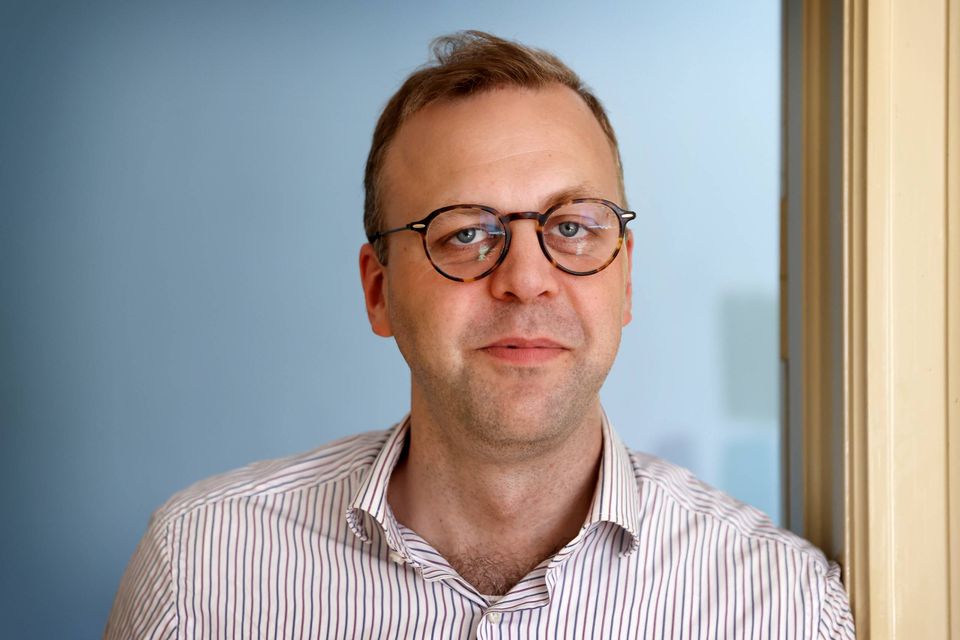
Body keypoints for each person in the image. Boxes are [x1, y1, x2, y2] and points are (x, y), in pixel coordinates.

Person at [106, 31, 856, 638]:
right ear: (379, 291)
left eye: (572, 227)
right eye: (465, 233)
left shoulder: (779, 605)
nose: (527, 279)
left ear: (625, 279)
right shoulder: (199, 571)